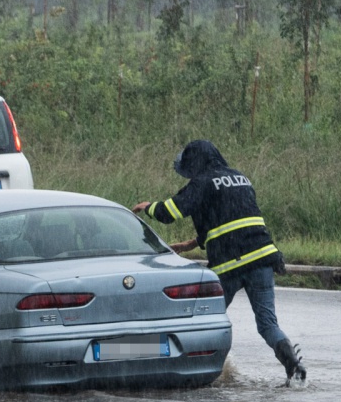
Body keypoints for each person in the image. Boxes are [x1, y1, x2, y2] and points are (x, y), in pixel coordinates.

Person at [132, 140, 307, 386]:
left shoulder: (202, 182)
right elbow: (230, 218)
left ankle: (188, 370)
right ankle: (293, 366)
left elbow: (171, 211)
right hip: (263, 258)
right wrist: (192, 243)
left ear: (195, 162)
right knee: (268, 324)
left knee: (202, 320)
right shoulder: (239, 178)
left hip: (230, 265)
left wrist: (149, 207)